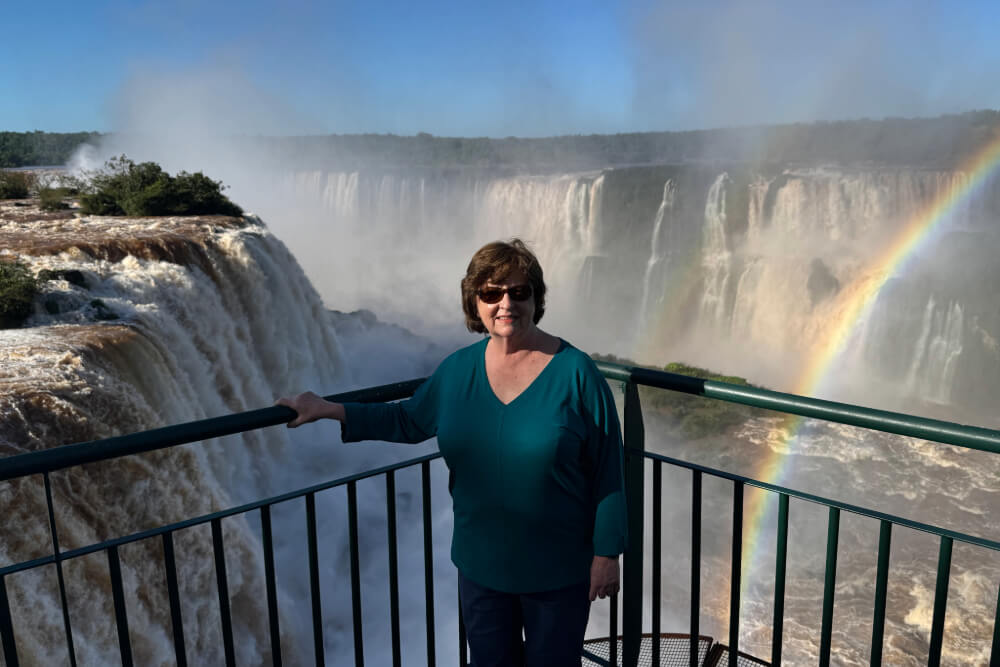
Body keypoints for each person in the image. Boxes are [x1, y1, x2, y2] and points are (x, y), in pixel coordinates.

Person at [277, 239, 627, 667]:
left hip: (556, 573)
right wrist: (330, 409)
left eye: (519, 292)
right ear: (474, 302)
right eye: (491, 293)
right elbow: (408, 420)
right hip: (480, 569)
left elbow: (609, 468)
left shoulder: (577, 373)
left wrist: (607, 554)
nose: (505, 303)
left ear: (536, 299)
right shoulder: (457, 370)